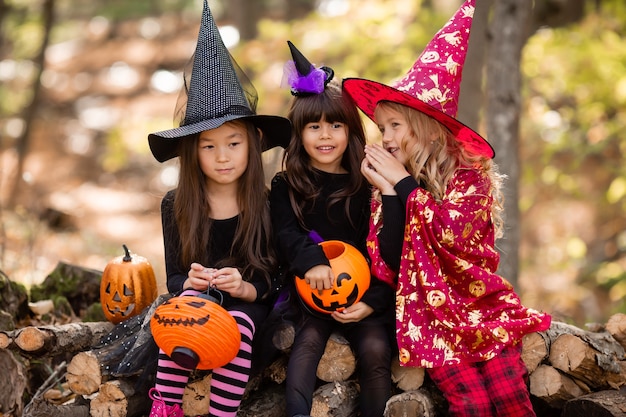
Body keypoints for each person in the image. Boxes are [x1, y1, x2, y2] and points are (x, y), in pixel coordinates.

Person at [342, 0, 552, 416]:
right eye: (382, 128)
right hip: (431, 321)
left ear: (426, 130)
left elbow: (453, 234)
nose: (384, 137)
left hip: (479, 310)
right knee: (470, 403)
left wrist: (402, 186)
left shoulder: (470, 178)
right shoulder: (396, 186)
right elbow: (387, 262)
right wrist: (388, 192)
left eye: (394, 126)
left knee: (509, 396)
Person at [145, 2, 291, 416]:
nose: (222, 157)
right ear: (192, 153)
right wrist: (187, 284)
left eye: (233, 143)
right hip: (199, 306)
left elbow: (277, 274)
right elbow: (174, 275)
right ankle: (167, 406)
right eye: (208, 146)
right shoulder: (176, 204)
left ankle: (221, 413)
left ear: (254, 142)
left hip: (250, 309)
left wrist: (244, 287)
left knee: (240, 325)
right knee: (173, 315)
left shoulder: (267, 201)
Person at [270, 41, 395, 417]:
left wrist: (370, 301)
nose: (325, 136)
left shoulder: (367, 183)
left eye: (335, 125)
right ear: (299, 133)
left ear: (350, 130)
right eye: (314, 127)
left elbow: (384, 248)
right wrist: (312, 263)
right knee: (305, 348)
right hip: (309, 295)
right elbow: (286, 233)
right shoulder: (286, 184)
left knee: (375, 350)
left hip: (364, 294)